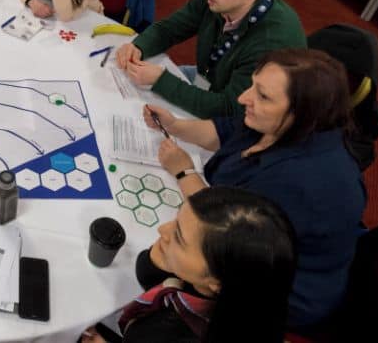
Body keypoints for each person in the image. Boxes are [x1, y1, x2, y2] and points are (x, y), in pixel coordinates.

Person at [143, 48, 366, 330]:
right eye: (252, 85)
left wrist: (184, 171)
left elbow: (223, 230)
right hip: (239, 251)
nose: (243, 98)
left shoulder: (303, 182)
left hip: (270, 296)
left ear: (301, 111)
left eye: (262, 96)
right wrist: (175, 126)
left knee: (149, 267)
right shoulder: (286, 123)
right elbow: (225, 131)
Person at [115, 0, 305, 118]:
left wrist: (160, 81)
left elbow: (229, 108)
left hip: (239, 113)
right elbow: (170, 28)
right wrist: (139, 46)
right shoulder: (220, 0)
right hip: (209, 76)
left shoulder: (271, 42)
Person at [82, 186, 296, 343]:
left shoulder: (166, 334)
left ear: (217, 282)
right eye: (176, 221)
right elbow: (147, 272)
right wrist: (168, 252)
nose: (163, 230)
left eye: (179, 238)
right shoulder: (253, 293)